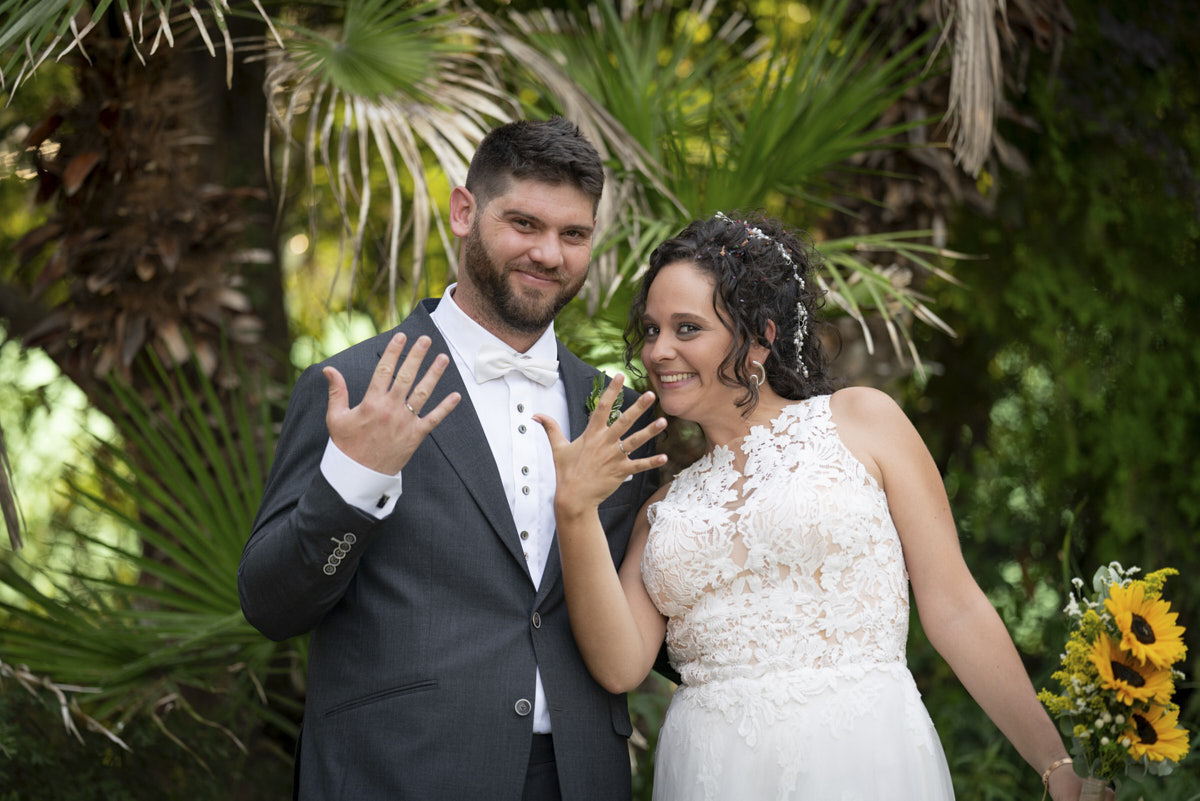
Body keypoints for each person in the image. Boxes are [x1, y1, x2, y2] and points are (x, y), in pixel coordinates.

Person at [535, 212, 1111, 800]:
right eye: (652, 330)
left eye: (687, 328)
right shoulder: (662, 508)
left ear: (760, 336)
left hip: (860, 754)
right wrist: (575, 511)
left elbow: (954, 606)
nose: (660, 350)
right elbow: (621, 666)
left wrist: (1054, 763)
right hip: (709, 772)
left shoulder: (862, 422)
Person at [238, 117, 659, 801]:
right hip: (400, 770)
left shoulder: (613, 407)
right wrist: (356, 478)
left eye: (573, 234)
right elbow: (270, 603)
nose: (549, 254)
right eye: (524, 223)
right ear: (465, 212)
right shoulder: (357, 385)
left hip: (582, 776)